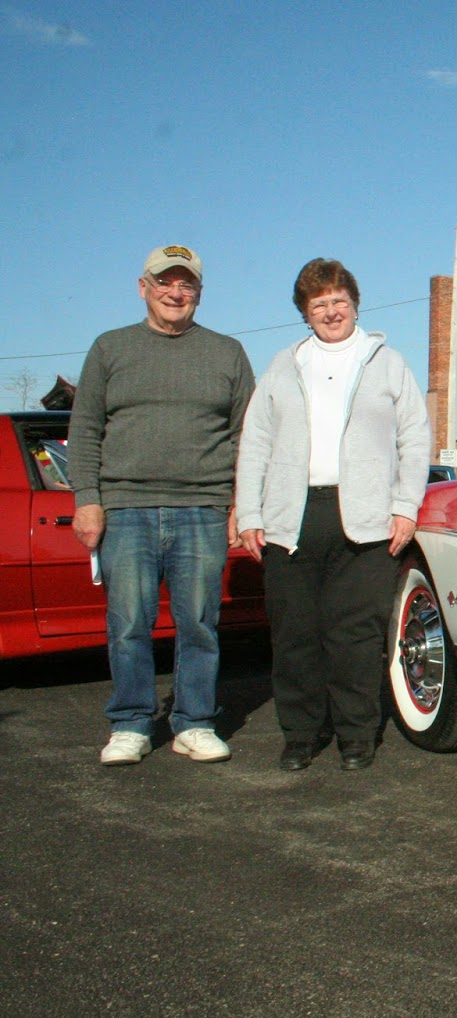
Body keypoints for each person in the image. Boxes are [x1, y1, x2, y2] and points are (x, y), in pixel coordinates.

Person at [235, 258, 430, 771]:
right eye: (318, 304)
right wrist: (250, 511)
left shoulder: (387, 362)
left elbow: (415, 437)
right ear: (305, 313)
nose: (330, 311)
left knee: (355, 637)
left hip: (365, 521)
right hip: (293, 518)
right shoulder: (284, 365)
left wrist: (405, 506)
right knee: (295, 636)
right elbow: (255, 441)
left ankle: (356, 735)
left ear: (355, 305)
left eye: (339, 301)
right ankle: (301, 734)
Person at [70, 244, 255, 766]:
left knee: (199, 624)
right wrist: (88, 500)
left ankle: (194, 722)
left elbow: (248, 435)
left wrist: (240, 503)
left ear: (199, 292)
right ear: (143, 288)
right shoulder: (110, 348)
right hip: (126, 508)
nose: (176, 292)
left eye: (186, 284)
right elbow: (84, 429)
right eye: (165, 282)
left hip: (202, 508)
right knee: (129, 623)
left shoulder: (227, 352)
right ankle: (130, 723)